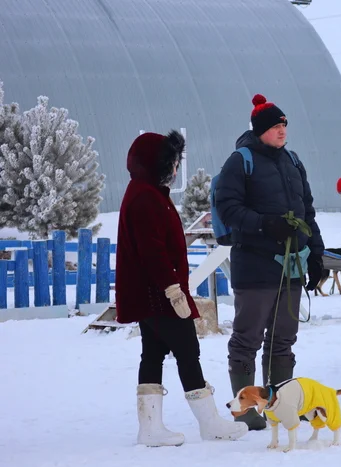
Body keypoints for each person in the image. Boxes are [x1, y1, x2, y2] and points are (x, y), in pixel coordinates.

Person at [115, 130, 248, 446]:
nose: (175, 170)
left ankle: (150, 428)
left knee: (153, 354)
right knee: (188, 351)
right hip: (159, 295)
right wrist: (174, 292)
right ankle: (210, 423)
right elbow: (152, 251)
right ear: (156, 163)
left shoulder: (146, 191)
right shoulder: (146, 197)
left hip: (151, 294)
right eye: (171, 163)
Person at [215, 94, 325, 430]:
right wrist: (265, 223)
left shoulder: (292, 161)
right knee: (247, 339)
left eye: (284, 124)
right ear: (261, 129)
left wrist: (317, 253)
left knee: (283, 340)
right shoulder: (240, 161)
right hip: (255, 267)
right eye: (276, 125)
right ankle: (247, 411)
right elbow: (227, 208)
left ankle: (278, 405)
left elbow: (307, 211)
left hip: (291, 267)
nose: (282, 130)